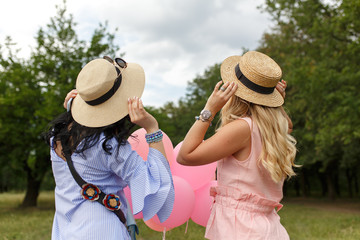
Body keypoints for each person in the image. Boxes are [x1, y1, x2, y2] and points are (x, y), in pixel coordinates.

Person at [44, 56, 174, 240]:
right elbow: (156, 184)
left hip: (65, 230)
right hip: (103, 231)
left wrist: (73, 111)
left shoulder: (55, 137)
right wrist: (152, 128)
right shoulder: (109, 146)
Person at [177, 51, 297, 240]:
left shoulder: (242, 128)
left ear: (235, 92)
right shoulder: (275, 129)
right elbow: (286, 124)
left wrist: (209, 109)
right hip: (269, 229)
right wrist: (277, 104)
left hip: (240, 229)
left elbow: (185, 156)